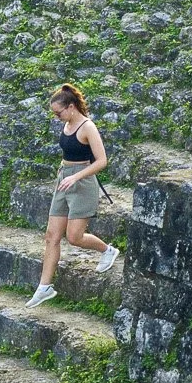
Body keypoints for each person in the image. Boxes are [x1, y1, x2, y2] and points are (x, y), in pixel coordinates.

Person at [28, 84, 119, 307]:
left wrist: (76, 177)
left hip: (83, 182)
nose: (57, 117)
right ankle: (44, 287)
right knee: (51, 236)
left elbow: (101, 161)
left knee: (75, 237)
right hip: (65, 180)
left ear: (71, 107)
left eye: (58, 112)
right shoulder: (68, 124)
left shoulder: (88, 127)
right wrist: (64, 174)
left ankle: (108, 250)